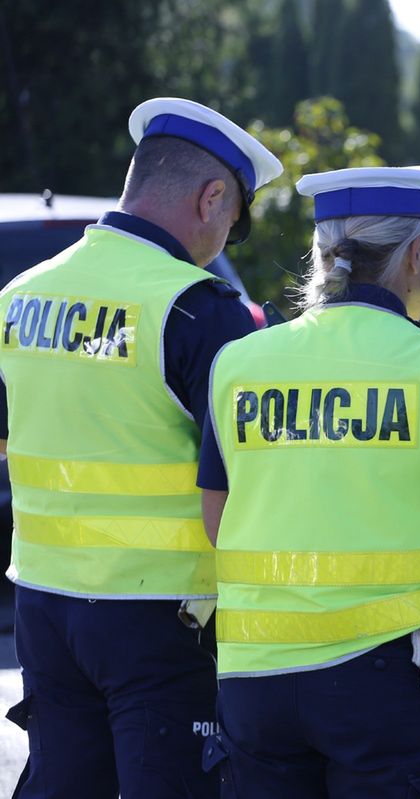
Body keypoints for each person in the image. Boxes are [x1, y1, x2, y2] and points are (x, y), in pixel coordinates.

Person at [198, 166, 420, 797]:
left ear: (321, 256)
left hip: (255, 678)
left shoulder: (238, 362)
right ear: (417, 253)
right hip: (388, 684)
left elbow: (218, 523)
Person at [0, 97, 283, 797]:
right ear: (211, 197)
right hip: (160, 619)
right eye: (232, 224)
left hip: (41, 605)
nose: (224, 242)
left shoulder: (19, 295)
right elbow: (265, 476)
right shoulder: (197, 310)